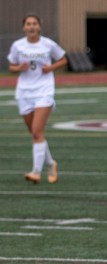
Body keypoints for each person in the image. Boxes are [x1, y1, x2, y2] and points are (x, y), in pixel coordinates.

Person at [7, 14, 67, 184]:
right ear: (23, 27)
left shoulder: (48, 44)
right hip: (24, 92)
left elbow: (63, 60)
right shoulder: (18, 46)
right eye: (28, 24)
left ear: (39, 27)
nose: (31, 26)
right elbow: (11, 66)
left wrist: (51, 67)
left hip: (44, 91)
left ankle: (35, 172)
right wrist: (18, 67)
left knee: (36, 131)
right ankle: (51, 163)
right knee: (35, 134)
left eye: (34, 23)